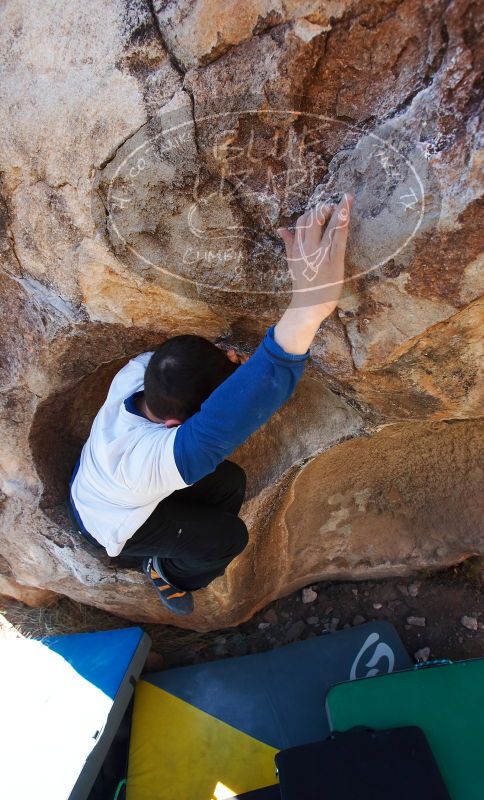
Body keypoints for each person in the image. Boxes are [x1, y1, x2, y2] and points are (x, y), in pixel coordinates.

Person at [69, 194, 354, 615]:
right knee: (228, 539)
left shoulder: (142, 372)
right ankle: (168, 571)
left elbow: (197, 370)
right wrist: (310, 307)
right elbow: (248, 400)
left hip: (99, 480)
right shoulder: (158, 459)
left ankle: (178, 538)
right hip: (109, 523)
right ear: (175, 424)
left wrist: (220, 361)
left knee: (230, 482)